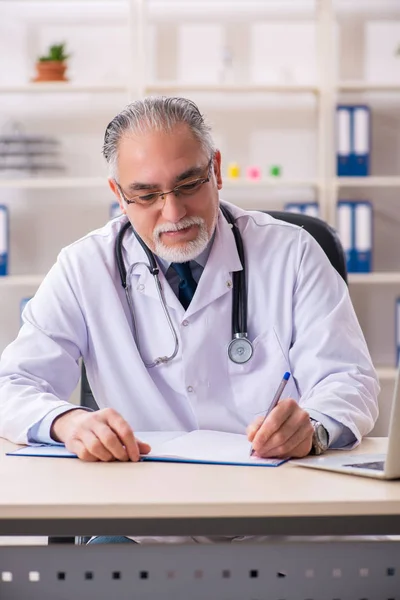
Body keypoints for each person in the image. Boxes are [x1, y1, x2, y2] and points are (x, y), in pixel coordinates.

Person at [0, 96, 379, 544]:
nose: (174, 213)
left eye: (188, 185)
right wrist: (68, 421)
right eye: (146, 195)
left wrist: (311, 429)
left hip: (283, 511)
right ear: (118, 195)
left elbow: (349, 379)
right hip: (144, 523)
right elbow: (12, 384)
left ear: (216, 169)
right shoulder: (84, 267)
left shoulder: (292, 253)